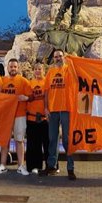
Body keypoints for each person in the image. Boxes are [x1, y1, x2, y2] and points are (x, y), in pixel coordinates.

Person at [42, 49, 76, 180]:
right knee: (52, 139)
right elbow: (46, 92)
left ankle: (70, 167)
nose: (58, 58)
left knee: (67, 139)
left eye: (60, 56)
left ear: (64, 57)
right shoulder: (50, 72)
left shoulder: (69, 70)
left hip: (66, 109)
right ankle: (52, 166)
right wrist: (46, 107)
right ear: (53, 59)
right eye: (56, 57)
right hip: (53, 110)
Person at [0, 59, 32, 176]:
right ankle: (2, 165)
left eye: (15, 67)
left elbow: (31, 96)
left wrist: (25, 98)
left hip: (19, 115)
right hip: (5, 115)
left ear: (18, 68)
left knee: (19, 140)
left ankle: (21, 165)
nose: (13, 69)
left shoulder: (23, 81)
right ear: (7, 67)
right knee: (4, 141)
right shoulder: (2, 81)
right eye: (11, 66)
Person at [26, 62, 49, 174]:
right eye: (35, 69)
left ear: (43, 70)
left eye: (40, 69)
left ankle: (51, 166)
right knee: (33, 144)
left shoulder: (47, 82)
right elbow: (28, 98)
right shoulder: (30, 83)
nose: (37, 71)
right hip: (32, 118)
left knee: (47, 143)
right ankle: (33, 166)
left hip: (45, 119)